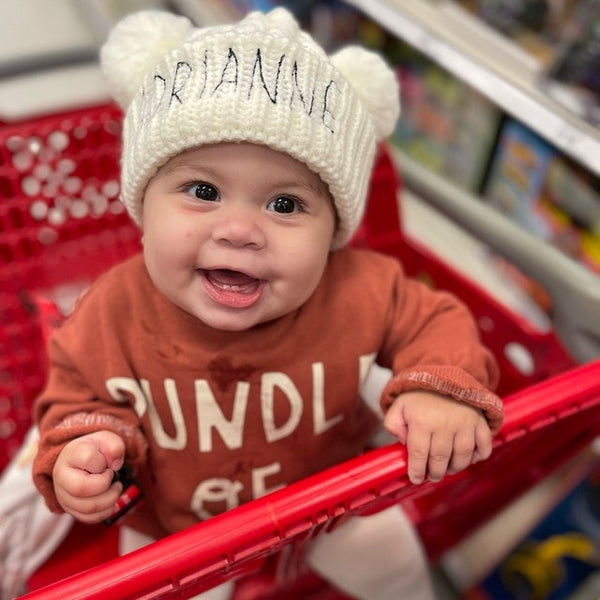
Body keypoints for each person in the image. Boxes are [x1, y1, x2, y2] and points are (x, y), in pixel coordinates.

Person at [32, 8, 503, 600]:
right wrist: (86, 450)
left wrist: (439, 387)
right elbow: (76, 395)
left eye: (285, 205)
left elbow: (435, 320)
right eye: (202, 192)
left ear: (335, 231)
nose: (239, 230)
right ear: (142, 210)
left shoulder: (359, 287)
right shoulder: (114, 311)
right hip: (178, 529)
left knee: (398, 571)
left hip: (333, 498)